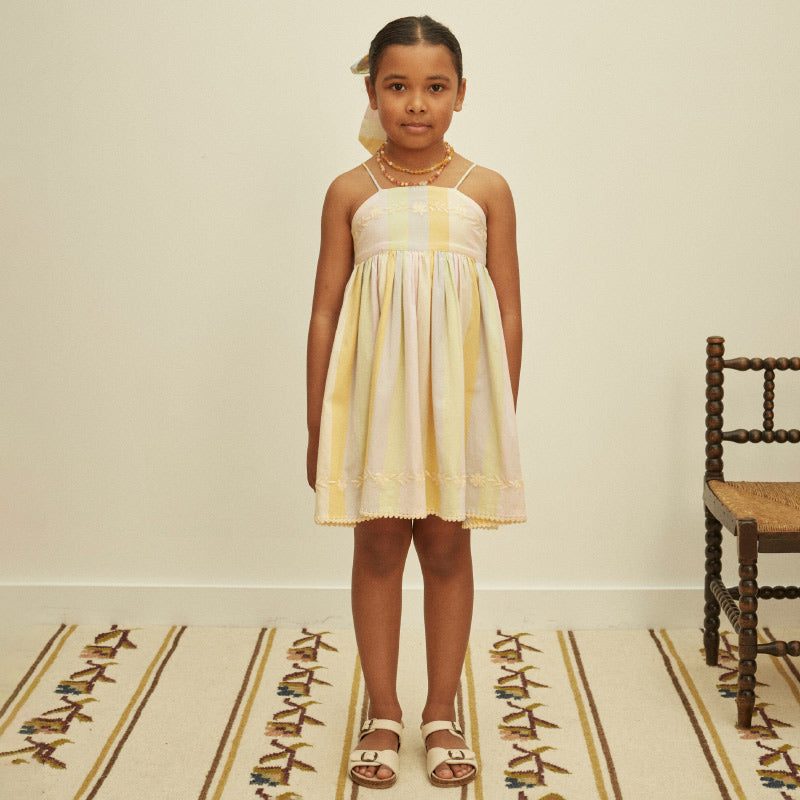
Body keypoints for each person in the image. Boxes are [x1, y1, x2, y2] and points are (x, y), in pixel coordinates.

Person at [306, 15, 525, 789]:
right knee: (375, 548)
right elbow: (326, 311)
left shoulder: (485, 190)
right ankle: (383, 711)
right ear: (373, 91)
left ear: (461, 94)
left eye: (435, 87)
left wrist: (497, 419)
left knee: (447, 548)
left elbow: (508, 311)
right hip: (374, 407)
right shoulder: (350, 193)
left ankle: (439, 712)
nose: (417, 103)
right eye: (398, 86)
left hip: (456, 412)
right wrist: (316, 425)